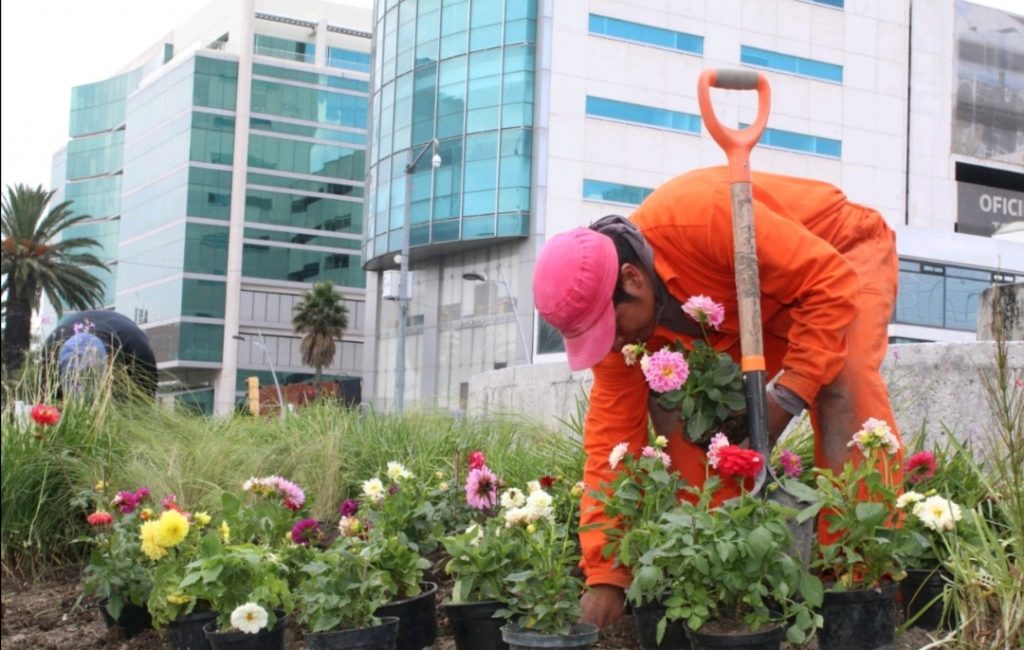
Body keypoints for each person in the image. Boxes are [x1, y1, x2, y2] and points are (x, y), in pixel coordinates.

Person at [533, 166, 905, 629]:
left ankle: (858, 573)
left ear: (631, 280)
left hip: (835, 256)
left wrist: (787, 395)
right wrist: (607, 576)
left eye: (609, 330)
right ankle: (723, 566)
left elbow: (828, 285)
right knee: (681, 410)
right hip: (740, 304)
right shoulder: (619, 329)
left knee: (840, 382)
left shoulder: (703, 217)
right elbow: (611, 443)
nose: (610, 346)